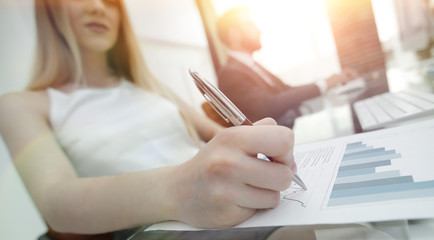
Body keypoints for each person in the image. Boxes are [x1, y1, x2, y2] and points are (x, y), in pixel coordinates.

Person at [0, 0, 297, 239]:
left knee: (300, 227)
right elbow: (56, 203)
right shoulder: (22, 105)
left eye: (110, 2)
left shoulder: (150, 86)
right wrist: (182, 188)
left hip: (225, 206)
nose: (98, 7)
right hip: (154, 228)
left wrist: (251, 145)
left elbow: (220, 133)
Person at [216, 8, 359, 128]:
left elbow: (286, 89)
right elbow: (268, 107)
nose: (258, 30)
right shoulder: (230, 74)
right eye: (250, 25)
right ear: (235, 34)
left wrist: (327, 82)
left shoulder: (250, 65)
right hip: (277, 142)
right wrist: (324, 84)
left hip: (292, 126)